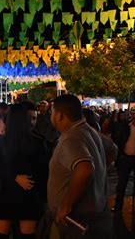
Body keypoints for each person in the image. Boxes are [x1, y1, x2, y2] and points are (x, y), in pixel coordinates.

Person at [47, 94, 112, 238]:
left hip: (74, 222)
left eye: (52, 112)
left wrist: (66, 205)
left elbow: (85, 169)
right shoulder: (89, 131)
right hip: (94, 215)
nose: (51, 116)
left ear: (59, 115)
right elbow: (113, 148)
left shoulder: (71, 138)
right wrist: (101, 170)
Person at [0, 104, 49, 238]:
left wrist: (12, 176)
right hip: (28, 196)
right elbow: (44, 173)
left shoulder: (3, 141)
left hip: (10, 195)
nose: (32, 122)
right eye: (30, 118)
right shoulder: (38, 142)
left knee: (1, 235)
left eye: (35, 118)